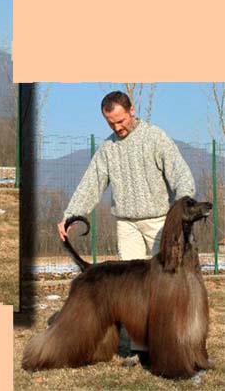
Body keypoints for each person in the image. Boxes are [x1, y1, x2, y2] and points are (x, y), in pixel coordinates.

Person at [57, 90, 195, 361]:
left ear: (131, 110)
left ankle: (168, 344)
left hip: (159, 222)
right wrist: (71, 214)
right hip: (127, 225)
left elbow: (180, 175)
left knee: (164, 288)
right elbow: (91, 184)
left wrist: (183, 207)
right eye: (111, 123)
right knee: (132, 293)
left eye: (120, 121)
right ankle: (139, 349)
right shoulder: (108, 149)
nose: (117, 127)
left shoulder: (155, 138)